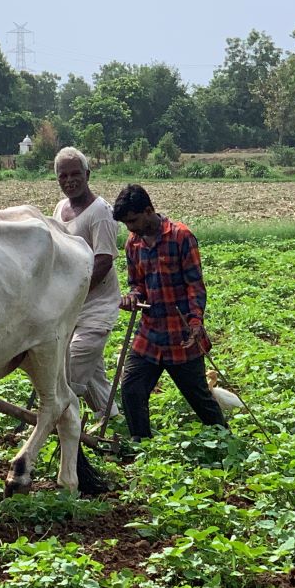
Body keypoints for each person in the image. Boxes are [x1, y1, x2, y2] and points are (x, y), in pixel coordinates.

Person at [112, 184, 227, 440]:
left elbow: (195, 285)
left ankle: (224, 439)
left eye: (133, 220)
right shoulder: (133, 244)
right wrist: (133, 298)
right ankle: (141, 444)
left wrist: (195, 322)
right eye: (126, 223)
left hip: (181, 334)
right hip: (150, 334)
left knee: (199, 397)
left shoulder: (181, 237)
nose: (130, 228)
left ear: (148, 210)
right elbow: (137, 284)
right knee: (131, 388)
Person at [53, 147, 121, 419]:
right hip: (70, 307)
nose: (69, 180)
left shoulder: (100, 212)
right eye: (63, 176)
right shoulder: (60, 209)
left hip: (96, 307)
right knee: (93, 375)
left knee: (68, 369)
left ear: (88, 174)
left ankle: (56, 422)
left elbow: (103, 261)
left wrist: (74, 292)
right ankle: (112, 418)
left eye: (75, 174)